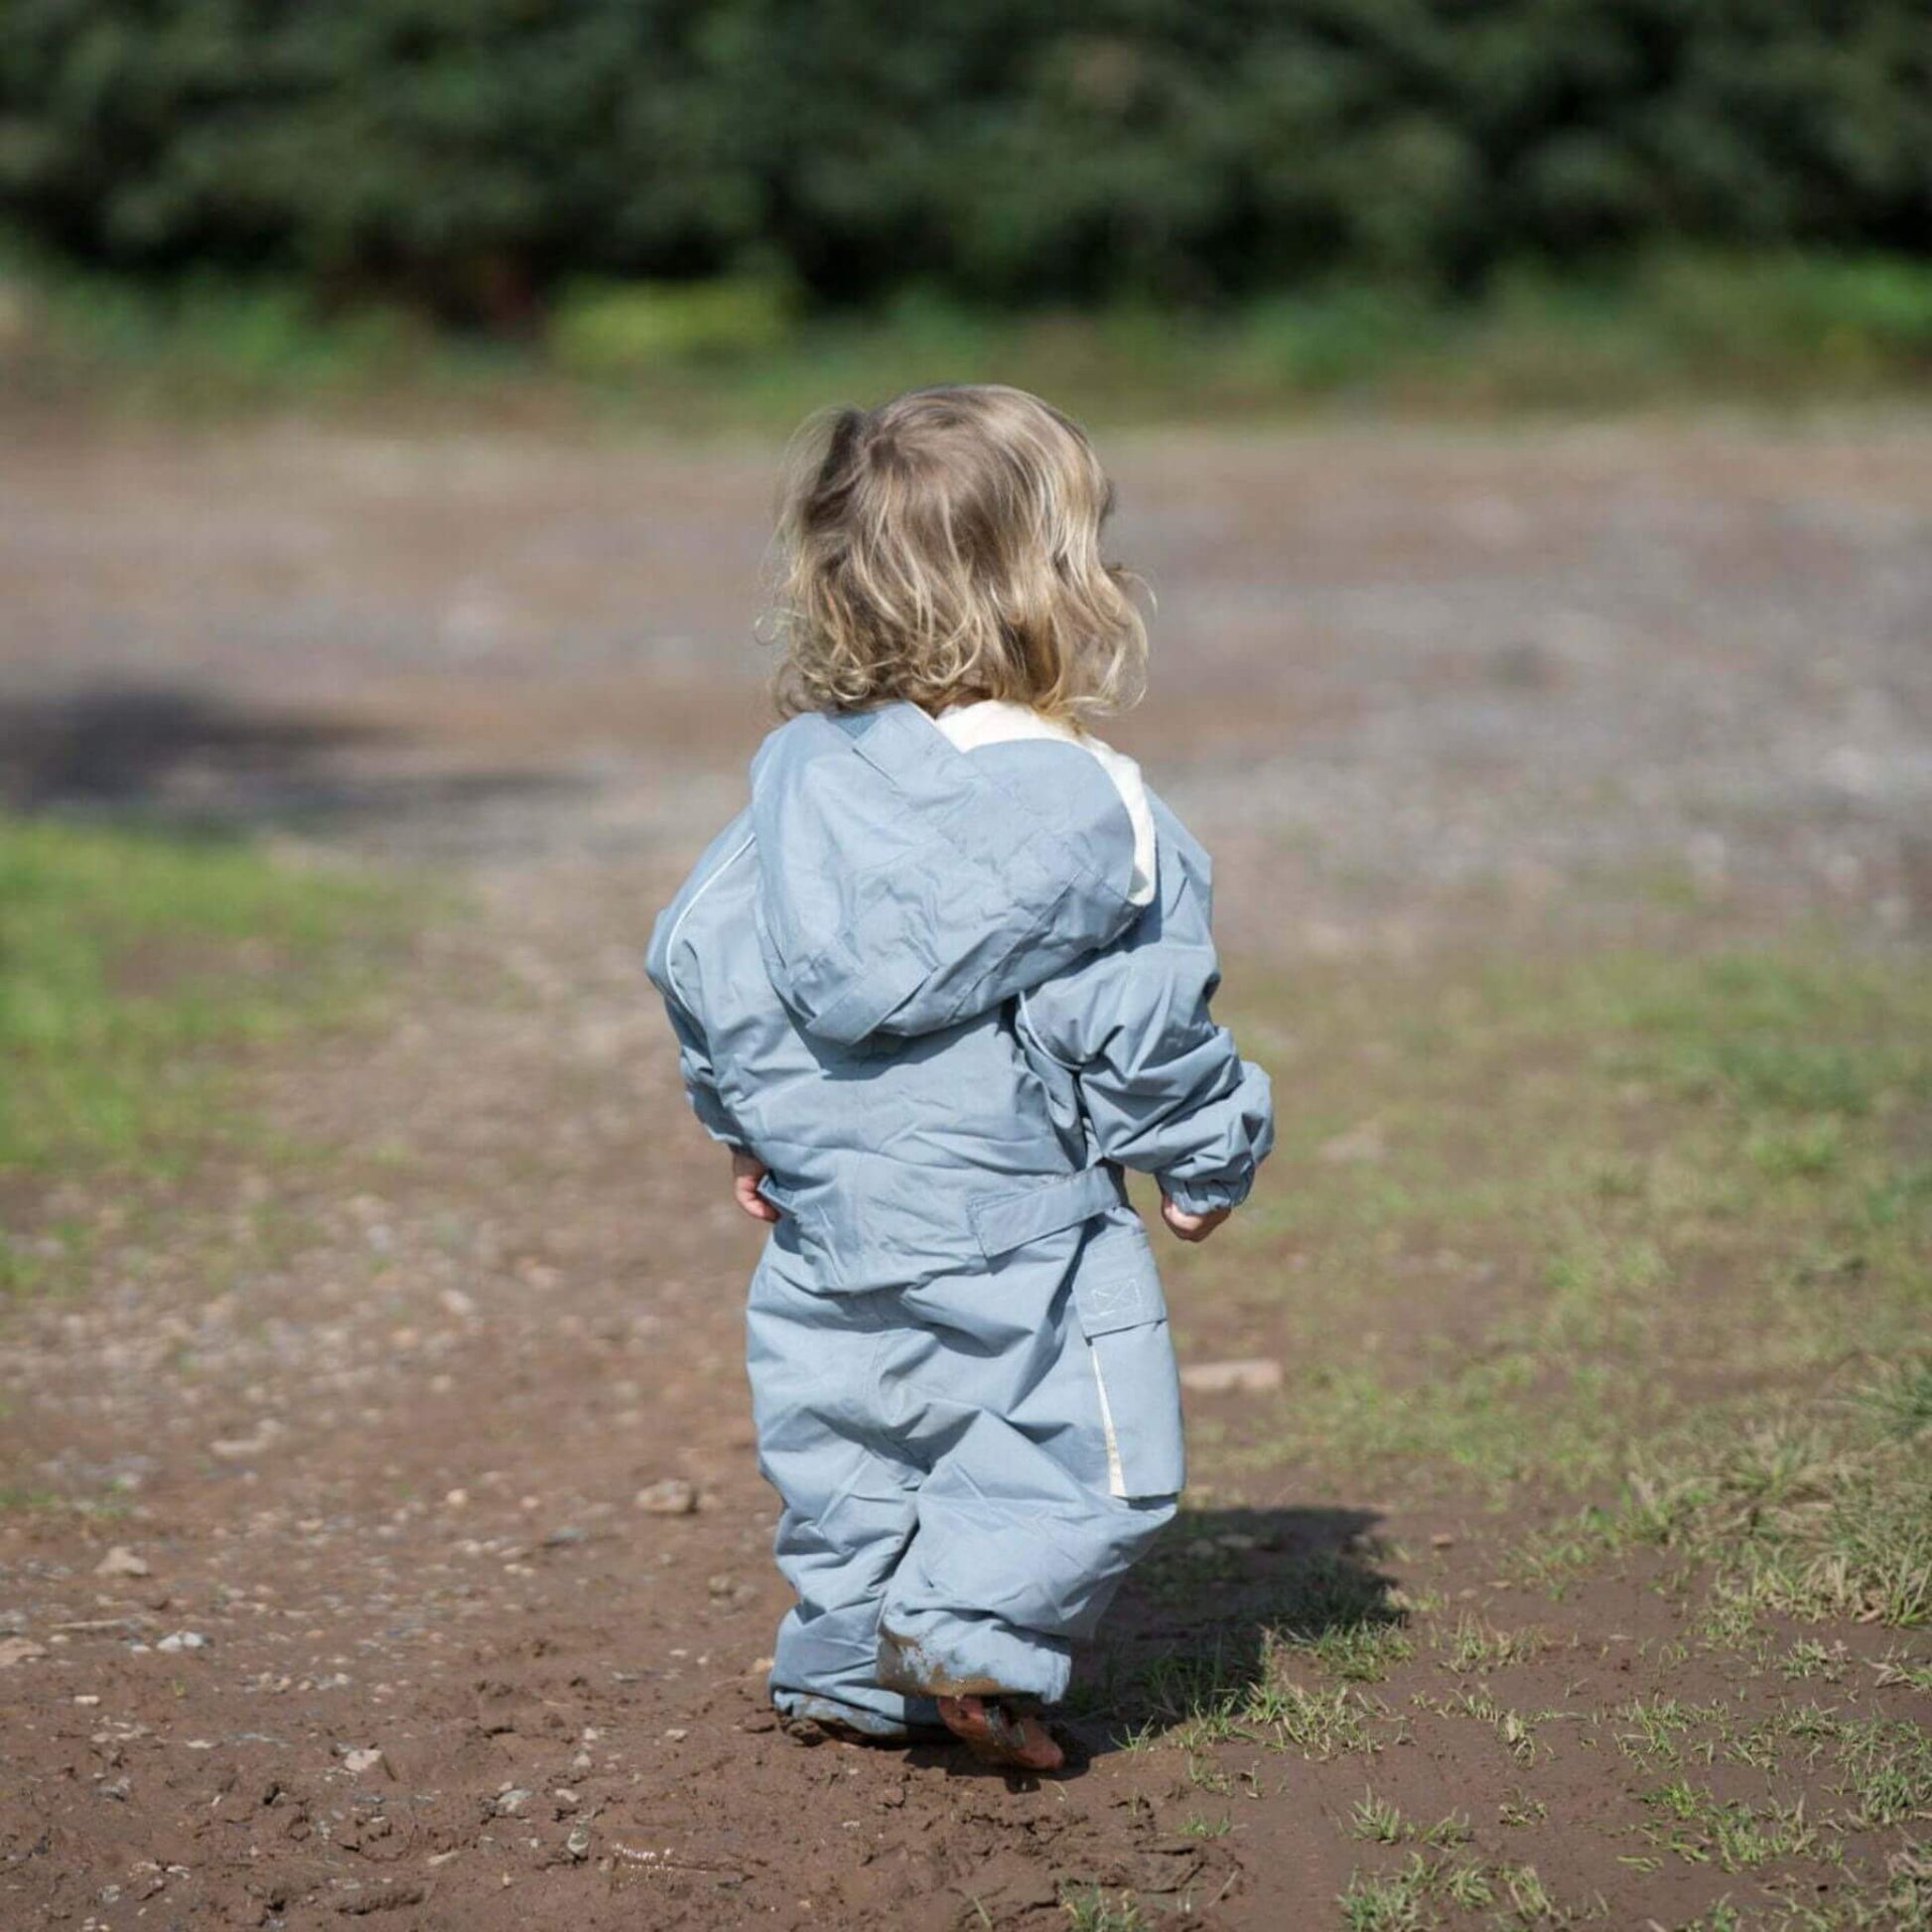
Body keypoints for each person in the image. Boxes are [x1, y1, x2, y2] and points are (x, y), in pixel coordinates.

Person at [646, 385, 1273, 1770]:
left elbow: (699, 954)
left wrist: (742, 1125)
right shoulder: (1094, 806)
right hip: (1021, 1235)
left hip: (831, 1234)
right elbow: (1137, 1022)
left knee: (854, 1459)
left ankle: (839, 1664)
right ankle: (967, 1636)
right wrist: (1212, 1150)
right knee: (1095, 1456)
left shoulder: (795, 779)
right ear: (1064, 581)